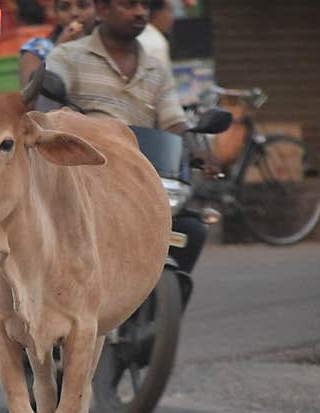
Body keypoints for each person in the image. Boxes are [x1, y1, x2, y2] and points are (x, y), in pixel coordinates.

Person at [46, 0, 213, 272]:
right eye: (129, 5)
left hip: (140, 181)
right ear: (102, 10)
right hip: (83, 182)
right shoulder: (66, 56)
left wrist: (197, 148)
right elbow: (49, 105)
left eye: (145, 6)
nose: (140, 12)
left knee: (190, 230)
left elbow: (173, 121)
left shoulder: (156, 70)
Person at [18, 0, 97, 86]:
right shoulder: (37, 49)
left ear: (99, 10)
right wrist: (58, 51)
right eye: (64, 8)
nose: (74, 13)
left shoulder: (109, 46)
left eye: (83, 6)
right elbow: (30, 94)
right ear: (56, 14)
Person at [136, 0, 173, 69]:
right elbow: (161, 78)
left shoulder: (136, 34)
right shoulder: (157, 43)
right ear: (157, 14)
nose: (171, 18)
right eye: (169, 11)